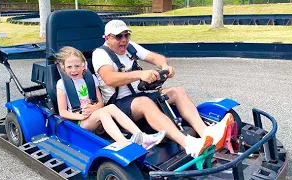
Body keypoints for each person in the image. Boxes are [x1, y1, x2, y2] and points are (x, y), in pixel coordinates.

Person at [92, 20, 234, 158]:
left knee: (177, 91)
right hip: (118, 106)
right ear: (107, 38)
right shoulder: (100, 54)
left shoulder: (130, 47)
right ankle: (189, 144)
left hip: (138, 97)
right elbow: (109, 78)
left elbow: (155, 57)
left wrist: (165, 66)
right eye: (118, 36)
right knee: (144, 102)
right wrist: (140, 74)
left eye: (126, 35)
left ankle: (206, 133)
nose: (123, 40)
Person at [56, 46, 166, 150]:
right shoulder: (62, 84)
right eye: (69, 67)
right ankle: (124, 142)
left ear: (84, 65)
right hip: (77, 124)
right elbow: (62, 112)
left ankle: (142, 136)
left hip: (92, 117)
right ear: (63, 68)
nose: (74, 70)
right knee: (102, 113)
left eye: (77, 66)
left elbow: (100, 103)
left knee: (111, 107)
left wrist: (93, 109)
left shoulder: (91, 79)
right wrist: (79, 116)